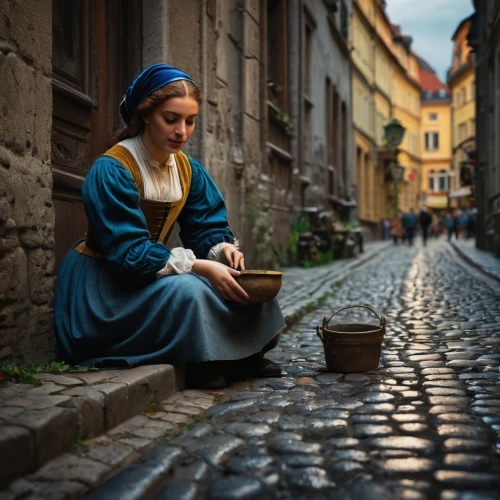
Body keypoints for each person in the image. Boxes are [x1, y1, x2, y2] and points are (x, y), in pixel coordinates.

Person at [54, 64, 285, 389]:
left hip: (152, 272)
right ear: (147, 114)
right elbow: (129, 256)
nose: (182, 131)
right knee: (190, 291)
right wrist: (199, 267)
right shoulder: (112, 170)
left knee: (245, 284)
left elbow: (206, 226)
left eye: (190, 121)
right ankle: (201, 359)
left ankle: (243, 355)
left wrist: (223, 250)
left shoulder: (187, 170)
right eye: (171, 119)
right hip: (109, 284)